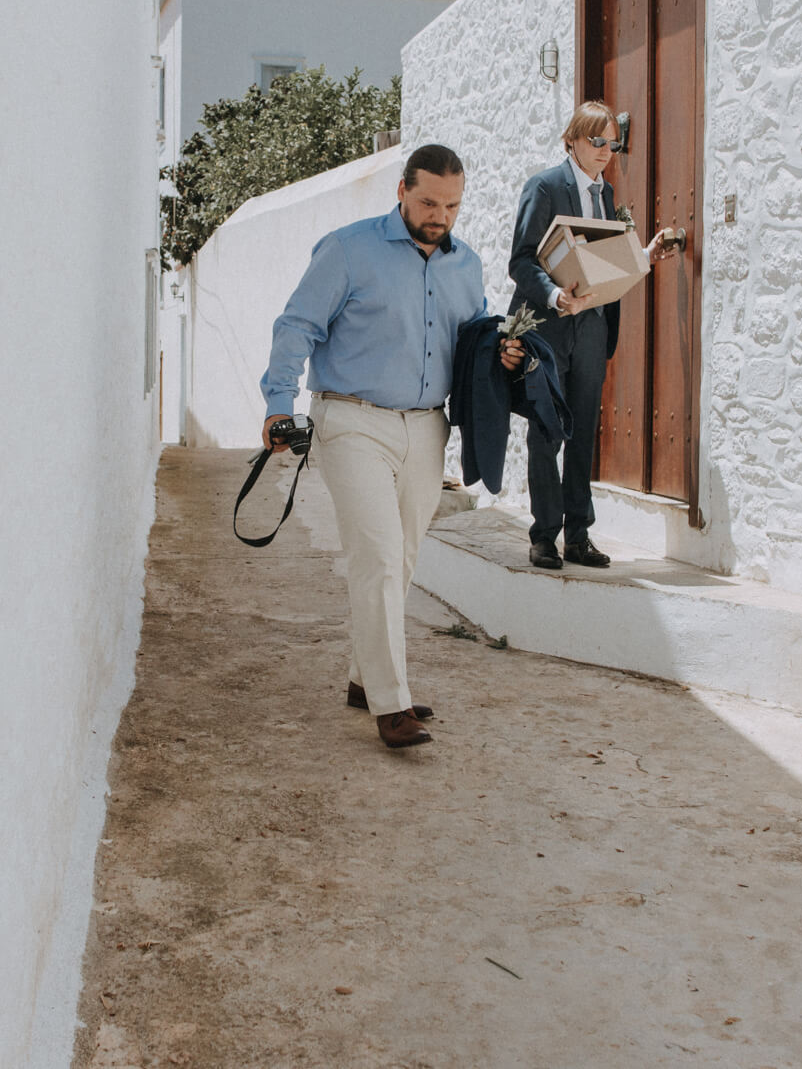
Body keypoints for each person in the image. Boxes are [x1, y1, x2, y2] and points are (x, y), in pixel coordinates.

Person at [261, 143, 523, 749]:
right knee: (377, 555)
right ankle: (391, 704)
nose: (440, 216)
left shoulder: (466, 265)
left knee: (401, 557)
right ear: (402, 190)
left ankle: (365, 679)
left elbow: (473, 339)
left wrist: (504, 352)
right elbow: (296, 326)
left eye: (452, 206)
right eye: (428, 202)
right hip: (352, 419)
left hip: (428, 426)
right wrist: (278, 404)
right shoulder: (348, 249)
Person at [506, 101, 624, 571]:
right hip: (550, 326)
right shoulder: (545, 186)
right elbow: (521, 260)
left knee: (583, 432)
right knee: (546, 429)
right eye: (596, 141)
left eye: (612, 143)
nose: (605, 151)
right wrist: (555, 296)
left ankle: (578, 536)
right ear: (572, 140)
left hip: (592, 327)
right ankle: (543, 536)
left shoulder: (607, 193)